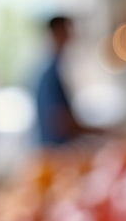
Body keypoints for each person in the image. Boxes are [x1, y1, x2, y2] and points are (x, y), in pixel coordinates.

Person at [33, 16, 98, 145]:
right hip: (56, 151)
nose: (72, 35)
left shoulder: (55, 68)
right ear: (57, 33)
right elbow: (58, 121)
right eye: (68, 30)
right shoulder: (50, 73)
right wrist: (101, 131)